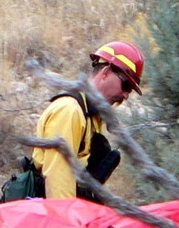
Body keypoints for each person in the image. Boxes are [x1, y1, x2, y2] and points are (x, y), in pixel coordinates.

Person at [22, 41, 144, 201]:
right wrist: (69, 223)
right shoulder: (70, 110)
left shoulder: (92, 115)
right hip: (49, 216)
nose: (126, 95)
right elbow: (59, 181)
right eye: (126, 85)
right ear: (106, 72)